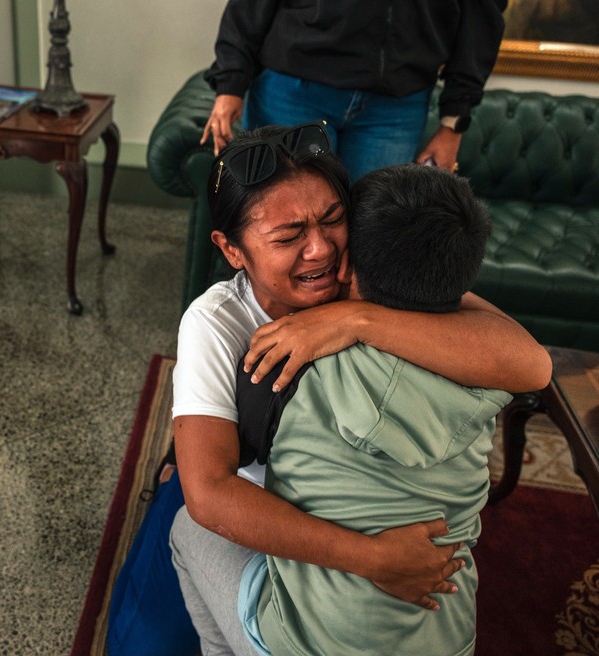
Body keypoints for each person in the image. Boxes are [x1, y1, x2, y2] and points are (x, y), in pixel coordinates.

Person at [106, 123, 551, 656]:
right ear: (232, 250)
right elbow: (210, 494)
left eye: (334, 219)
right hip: (286, 516)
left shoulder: (367, 268)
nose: (319, 250)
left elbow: (531, 364)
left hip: (364, 520)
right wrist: (374, 559)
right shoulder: (216, 322)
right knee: (171, 566)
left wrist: (356, 320)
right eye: (288, 237)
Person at [199, 0, 507, 181]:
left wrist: (453, 124)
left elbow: (482, 19)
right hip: (293, 89)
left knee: (370, 239)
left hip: (396, 108)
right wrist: (230, 83)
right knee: (281, 226)